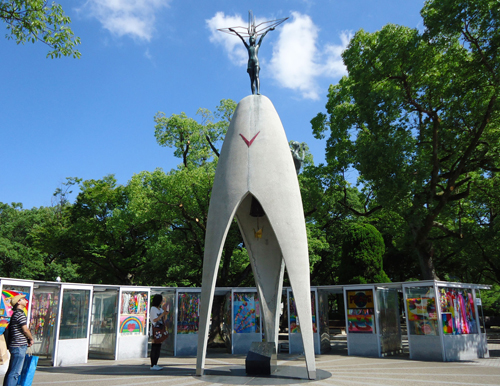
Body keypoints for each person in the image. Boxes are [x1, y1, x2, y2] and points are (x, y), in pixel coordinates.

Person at [229, 27, 274, 95]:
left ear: (255, 39)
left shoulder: (257, 46)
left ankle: (258, 91)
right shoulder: (248, 47)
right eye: (250, 39)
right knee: (252, 79)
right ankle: (253, 93)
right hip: (250, 63)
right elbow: (242, 39)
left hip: (256, 62)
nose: (251, 39)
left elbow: (262, 36)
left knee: (256, 76)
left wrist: (268, 30)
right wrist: (235, 31)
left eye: (253, 38)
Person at [3, 294, 33, 386]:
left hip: (15, 345)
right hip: (19, 346)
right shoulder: (20, 314)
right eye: (24, 299)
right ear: (18, 302)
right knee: (15, 372)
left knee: (12, 370)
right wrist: (31, 338)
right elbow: (25, 330)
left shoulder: (15, 314)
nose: (26, 301)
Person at [149, 294, 168, 371]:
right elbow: (154, 319)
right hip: (154, 330)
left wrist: (165, 312)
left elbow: (164, 318)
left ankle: (156, 364)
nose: (162, 301)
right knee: (154, 347)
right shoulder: (153, 309)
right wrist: (162, 314)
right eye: (161, 300)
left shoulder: (159, 309)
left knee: (158, 347)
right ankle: (152, 364)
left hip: (160, 329)